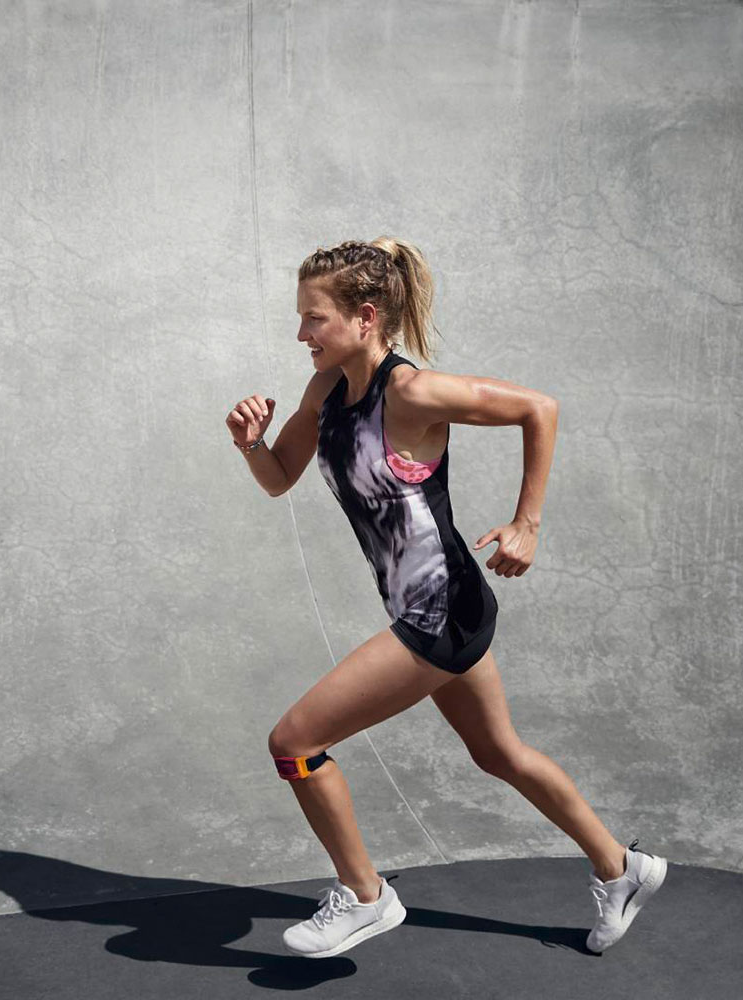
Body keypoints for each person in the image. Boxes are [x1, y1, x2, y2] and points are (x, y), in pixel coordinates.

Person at [225, 237, 667, 959]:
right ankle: (622, 870)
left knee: (295, 744)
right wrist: (251, 442)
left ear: (365, 317)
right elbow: (279, 478)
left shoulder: (412, 392)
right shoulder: (326, 392)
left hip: (442, 612)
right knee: (500, 754)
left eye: (314, 319)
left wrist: (528, 524)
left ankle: (366, 897)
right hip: (433, 609)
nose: (300, 334)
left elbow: (539, 408)